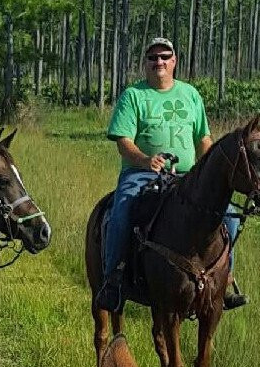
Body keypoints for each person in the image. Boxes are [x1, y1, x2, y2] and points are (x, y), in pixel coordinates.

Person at [96, 37, 246, 314]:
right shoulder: (134, 95)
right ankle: (113, 278)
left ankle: (224, 281)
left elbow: (203, 138)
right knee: (122, 208)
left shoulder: (190, 95)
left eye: (165, 56)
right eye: (153, 57)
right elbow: (123, 142)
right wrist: (145, 160)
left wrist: (210, 171)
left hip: (187, 176)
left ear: (174, 61)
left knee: (229, 216)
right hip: (141, 175)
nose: (159, 62)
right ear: (145, 63)